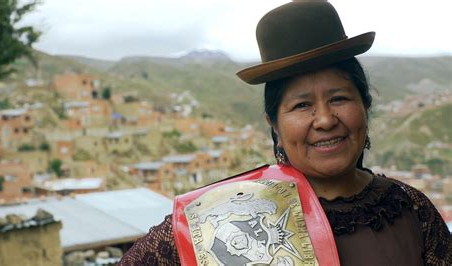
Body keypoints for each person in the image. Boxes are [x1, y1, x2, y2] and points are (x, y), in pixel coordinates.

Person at [119, 1, 451, 265]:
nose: (324, 119)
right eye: (302, 105)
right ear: (274, 124)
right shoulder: (221, 217)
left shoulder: (411, 210)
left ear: (364, 105)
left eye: (339, 98)